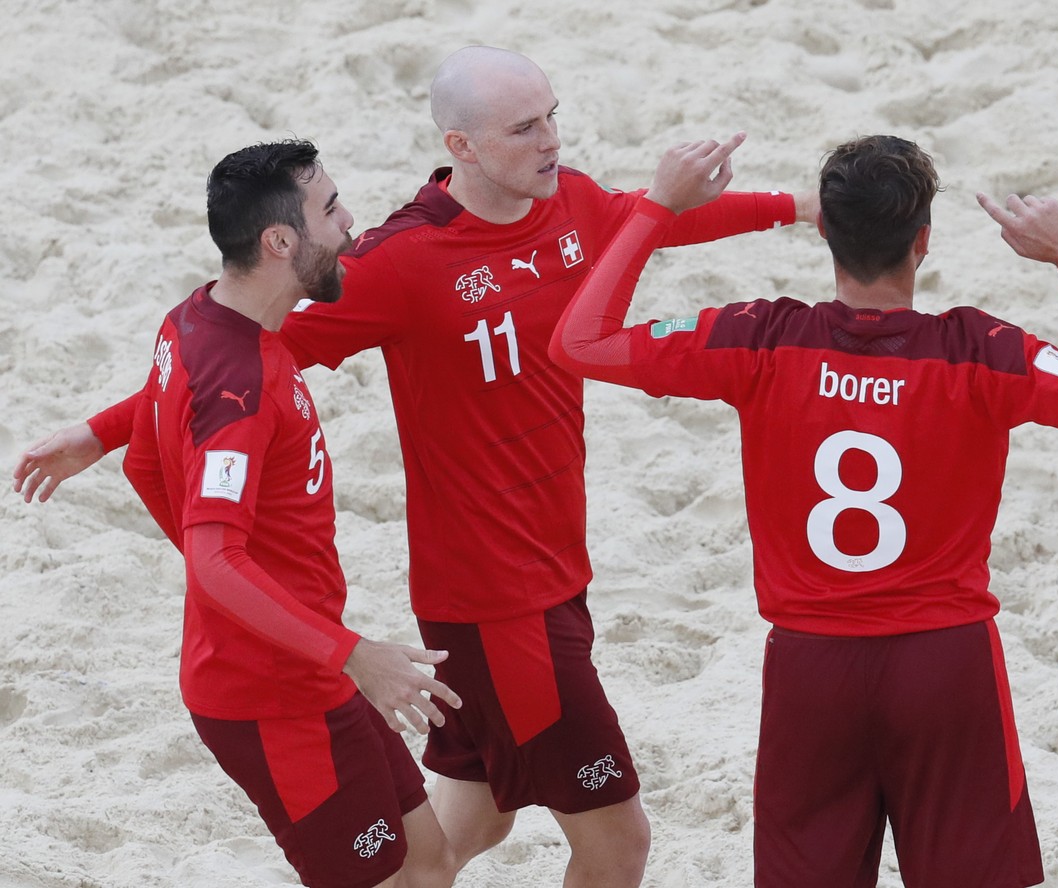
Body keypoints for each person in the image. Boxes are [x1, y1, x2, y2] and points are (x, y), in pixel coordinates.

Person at [10, 46, 813, 887]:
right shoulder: (398, 262)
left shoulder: (568, 200)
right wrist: (104, 431)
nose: (550, 139)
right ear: (460, 146)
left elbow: (654, 216)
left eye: (553, 116)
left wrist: (800, 207)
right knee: (618, 843)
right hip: (496, 601)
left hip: (553, 573)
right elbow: (239, 362)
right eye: (524, 126)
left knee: (461, 833)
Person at [550, 133, 1058, 886]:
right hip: (946, 665)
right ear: (924, 242)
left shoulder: (762, 338)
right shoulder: (977, 350)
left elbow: (579, 341)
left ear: (824, 230)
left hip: (811, 668)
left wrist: (655, 208)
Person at [114, 139, 462, 888]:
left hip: (308, 661)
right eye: (331, 211)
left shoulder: (191, 320)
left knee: (427, 860)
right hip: (276, 695)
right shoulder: (237, 385)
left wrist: (252, 594)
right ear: (280, 241)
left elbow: (142, 459)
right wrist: (351, 652)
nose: (350, 225)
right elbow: (213, 559)